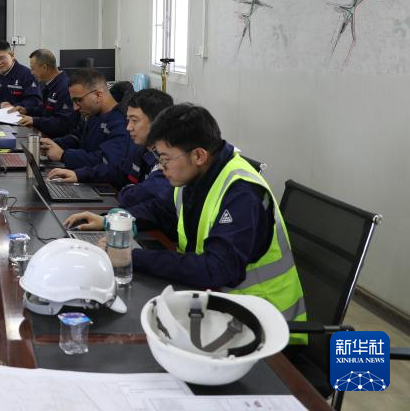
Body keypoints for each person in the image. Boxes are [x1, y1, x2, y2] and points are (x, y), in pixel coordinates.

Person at [64, 104, 307, 341]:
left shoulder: (242, 194)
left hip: (262, 325)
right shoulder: (198, 175)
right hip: (216, 307)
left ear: (198, 155)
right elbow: (161, 210)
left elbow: (215, 269)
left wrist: (131, 257)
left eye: (165, 159)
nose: (162, 167)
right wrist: (112, 220)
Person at [48, 87, 173, 206]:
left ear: (157, 122)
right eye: (128, 120)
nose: (128, 127)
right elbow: (118, 172)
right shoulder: (141, 149)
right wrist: (78, 175)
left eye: (134, 120)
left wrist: (127, 191)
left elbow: (138, 196)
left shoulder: (168, 160)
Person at [39, 68, 133, 180]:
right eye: (73, 101)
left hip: (105, 184)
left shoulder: (123, 123)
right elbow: (77, 138)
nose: (75, 107)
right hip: (86, 176)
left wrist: (63, 155)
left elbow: (106, 161)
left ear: (98, 95)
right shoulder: (93, 114)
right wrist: (53, 145)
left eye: (79, 100)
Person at [14, 48, 74, 138]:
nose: (31, 72)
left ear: (44, 67)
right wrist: (26, 110)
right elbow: (45, 109)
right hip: (46, 135)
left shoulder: (65, 88)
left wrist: (35, 121)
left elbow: (62, 123)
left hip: (57, 140)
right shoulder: (50, 84)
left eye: (33, 69)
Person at [0, 40, 41, 110]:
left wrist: (13, 107)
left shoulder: (27, 74)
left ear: (12, 55)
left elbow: (34, 101)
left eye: (1, 58)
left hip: (18, 114)